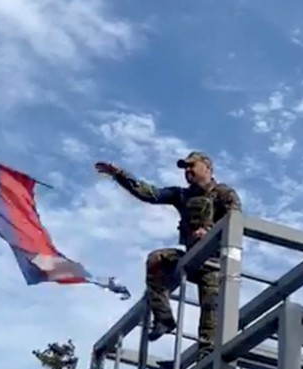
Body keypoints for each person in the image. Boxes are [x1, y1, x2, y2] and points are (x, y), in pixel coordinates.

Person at [95, 152, 241, 358]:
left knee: (210, 307)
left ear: (207, 168)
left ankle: (206, 352)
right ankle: (164, 318)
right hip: (191, 258)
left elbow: (236, 221)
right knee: (157, 260)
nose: (187, 171)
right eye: (185, 168)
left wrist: (211, 232)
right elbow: (150, 193)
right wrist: (119, 174)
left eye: (192, 166)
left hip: (215, 262)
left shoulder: (224, 193)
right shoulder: (181, 195)